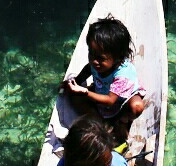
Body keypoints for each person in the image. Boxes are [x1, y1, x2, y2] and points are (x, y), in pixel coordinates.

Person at [61, 16, 148, 146]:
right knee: (73, 97)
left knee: (137, 106)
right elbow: (88, 69)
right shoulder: (97, 64)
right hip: (102, 98)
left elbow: (110, 100)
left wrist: (84, 92)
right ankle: (102, 122)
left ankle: (122, 122)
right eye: (91, 54)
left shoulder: (123, 75)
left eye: (101, 58)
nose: (94, 61)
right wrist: (75, 82)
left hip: (121, 102)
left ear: (118, 57)